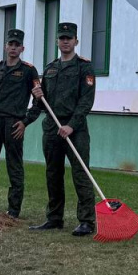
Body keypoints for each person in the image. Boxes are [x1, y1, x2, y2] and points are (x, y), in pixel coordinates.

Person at [29, 22, 97, 236]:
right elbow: (42, 103)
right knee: (53, 173)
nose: (65, 41)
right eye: (62, 38)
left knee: (81, 173)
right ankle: (54, 218)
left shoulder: (84, 67)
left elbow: (86, 101)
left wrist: (71, 125)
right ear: (57, 41)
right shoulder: (50, 68)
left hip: (75, 129)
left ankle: (86, 221)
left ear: (76, 41)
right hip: (52, 127)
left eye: (69, 38)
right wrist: (37, 96)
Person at [0, 29, 39, 218]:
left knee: (14, 166)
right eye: (10, 44)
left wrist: (25, 122)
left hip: (13, 124)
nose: (13, 48)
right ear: (5, 46)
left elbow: (39, 101)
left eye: (17, 45)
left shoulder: (28, 71)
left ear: (22, 48)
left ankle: (14, 209)